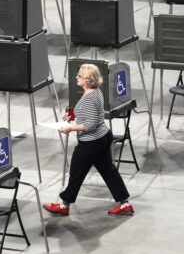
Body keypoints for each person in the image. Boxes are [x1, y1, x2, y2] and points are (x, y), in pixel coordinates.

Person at [43, 64, 133, 216]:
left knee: (76, 173)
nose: (76, 78)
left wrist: (71, 128)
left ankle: (64, 205)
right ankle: (125, 204)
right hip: (103, 136)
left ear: (88, 80)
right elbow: (94, 115)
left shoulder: (88, 99)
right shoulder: (96, 92)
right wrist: (73, 115)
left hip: (91, 142)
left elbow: (90, 125)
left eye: (79, 76)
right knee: (108, 170)